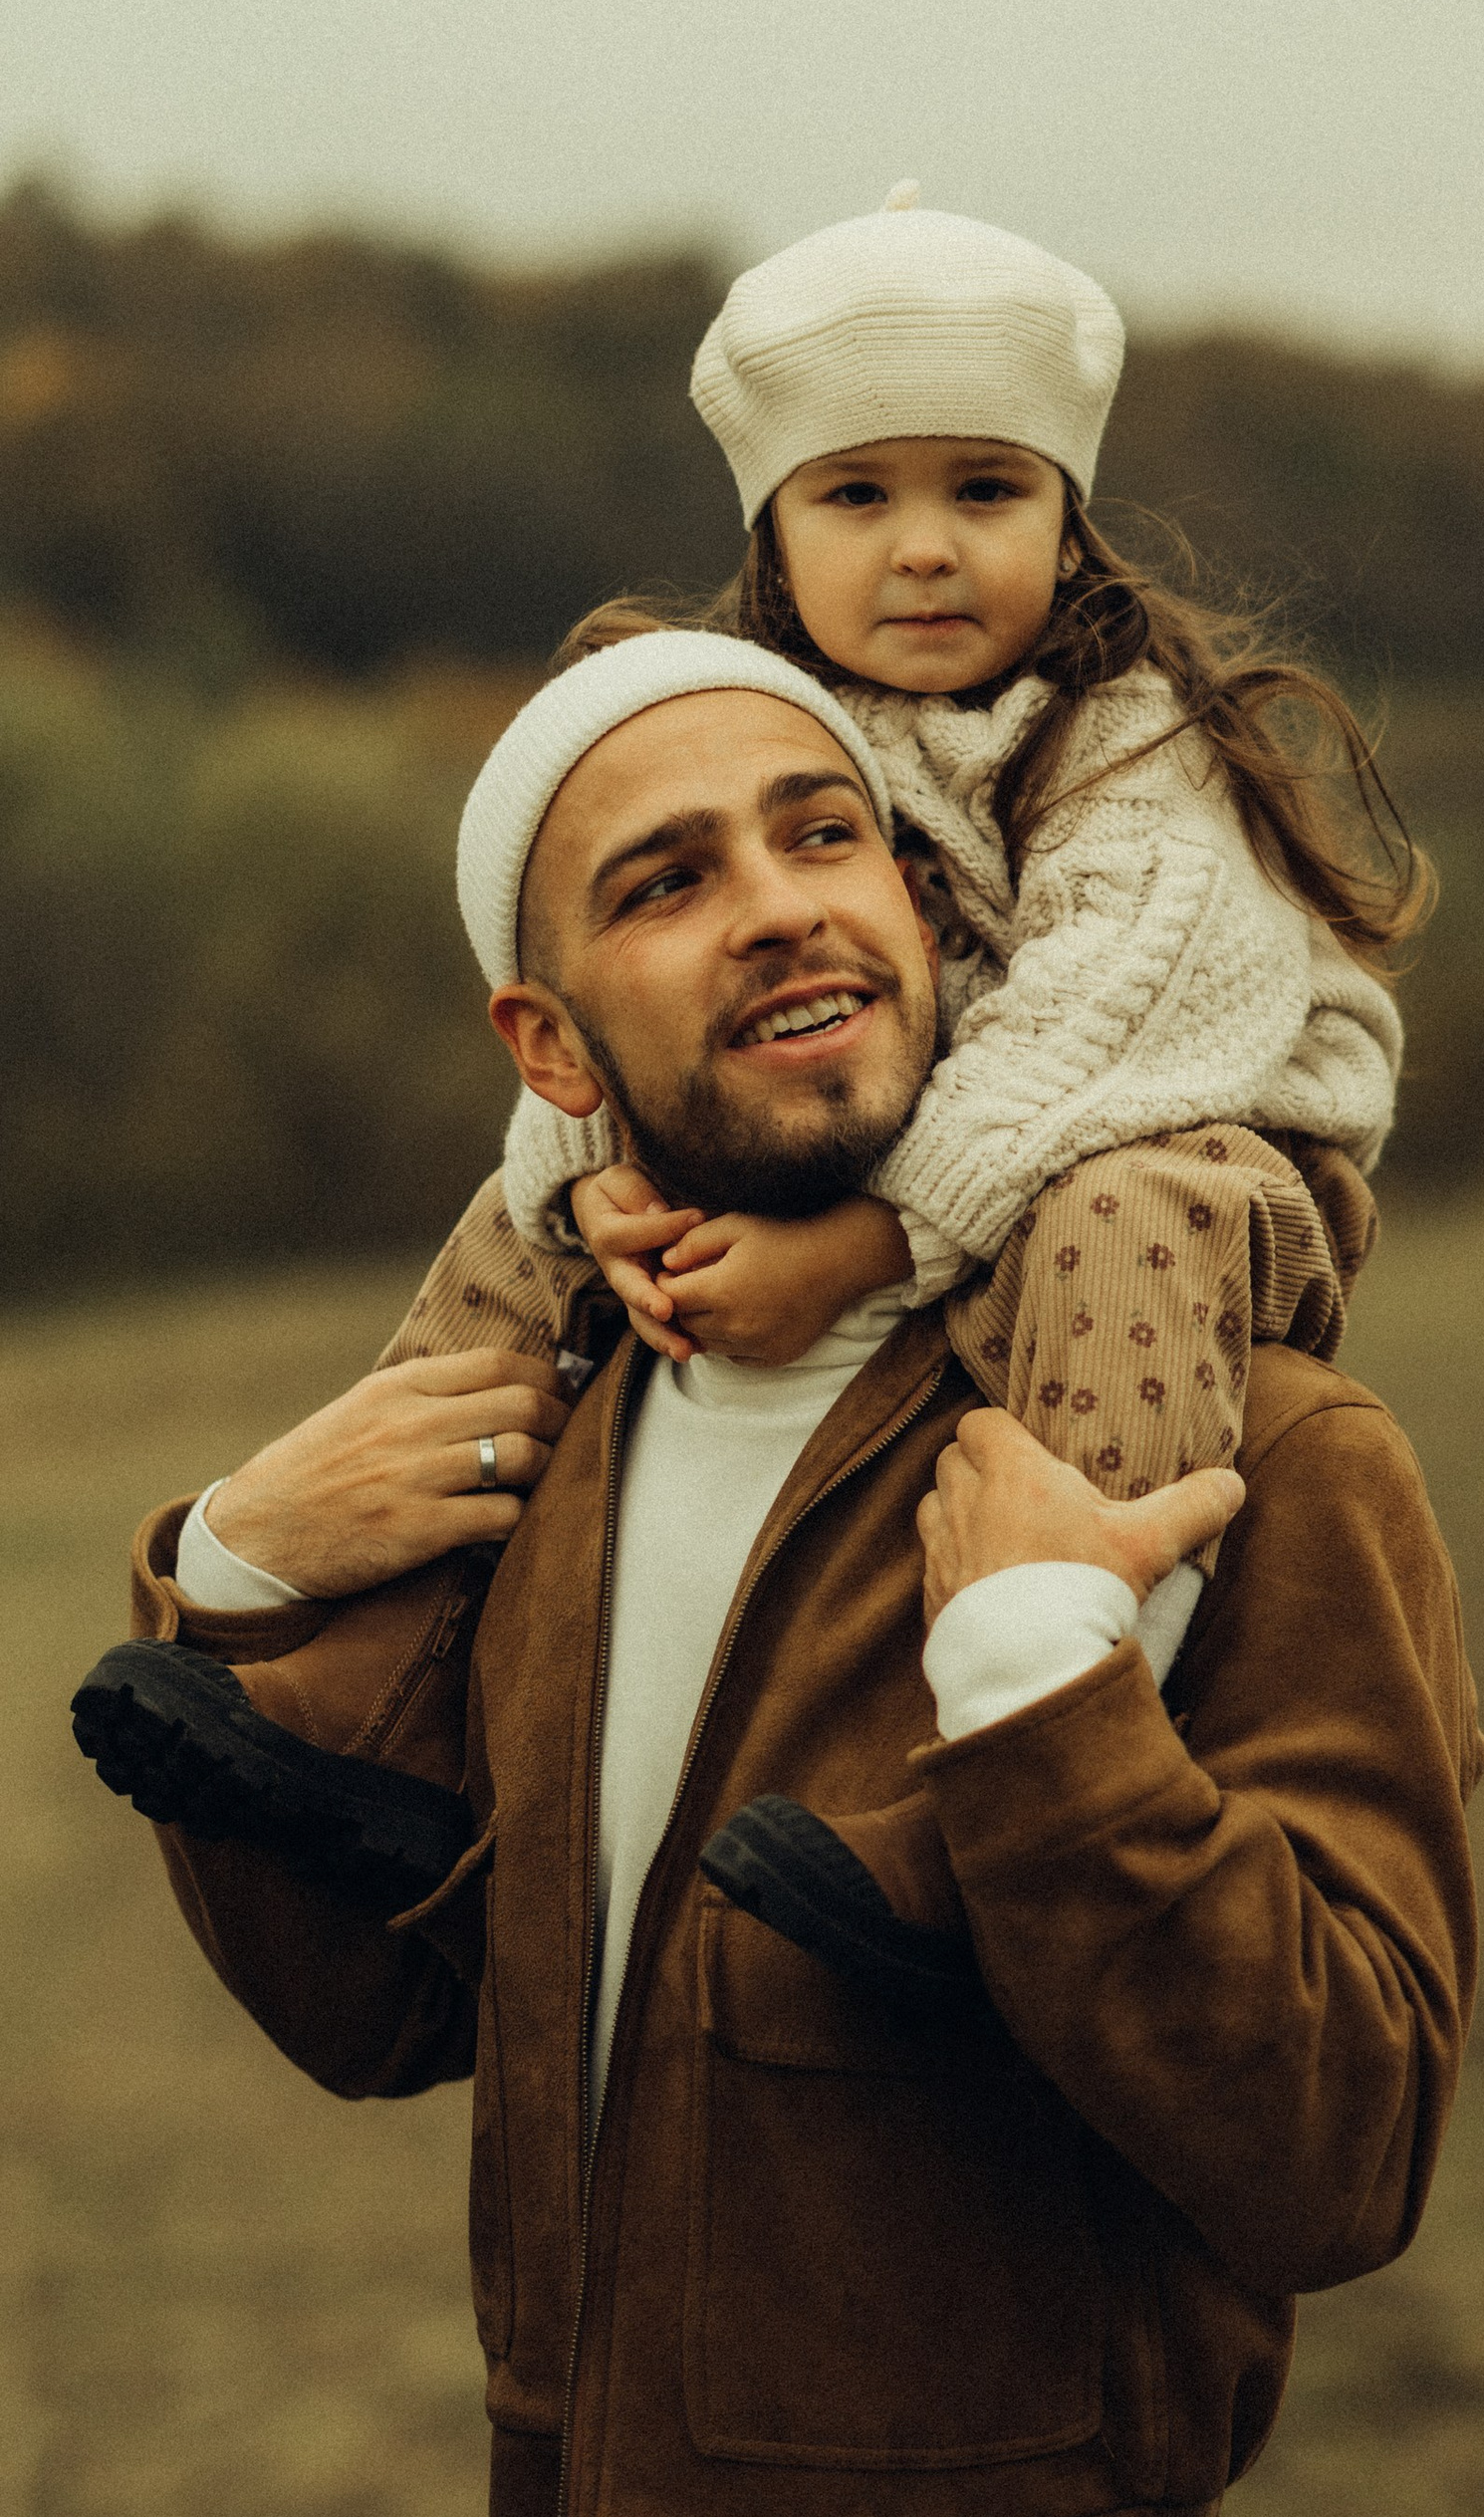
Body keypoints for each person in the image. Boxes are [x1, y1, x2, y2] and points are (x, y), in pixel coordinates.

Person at [79, 642, 1481, 2517]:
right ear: (546, 1048)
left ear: (931, 914)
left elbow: (1339, 2138)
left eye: (826, 836)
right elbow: (381, 2009)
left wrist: (1047, 1692)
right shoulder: (548, 1457)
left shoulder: (1259, 1453)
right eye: (668, 878)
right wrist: (234, 1586)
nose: (780, 905)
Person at [385, 183, 1426, 1657]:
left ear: (1070, 526)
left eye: (985, 491)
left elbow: (1103, 1021)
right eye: (859, 495)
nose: (925, 547)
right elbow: (615, 992)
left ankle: (1077, 1638)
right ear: (776, 532)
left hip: (1191, 1142)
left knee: (1116, 1218)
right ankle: (373, 1642)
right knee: (515, 1222)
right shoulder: (760, 722)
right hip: (920, 1140)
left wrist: (864, 1246)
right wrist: (590, 1176)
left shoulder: (1127, 742)